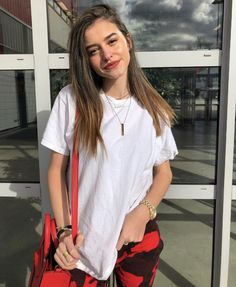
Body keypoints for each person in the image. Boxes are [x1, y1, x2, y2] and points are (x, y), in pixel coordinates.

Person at [41, 4, 178, 287]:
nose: (106, 55)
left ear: (127, 41)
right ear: (87, 60)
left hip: (138, 239)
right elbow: (56, 171)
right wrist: (64, 230)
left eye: (112, 40)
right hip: (82, 243)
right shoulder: (73, 101)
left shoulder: (154, 109)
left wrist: (142, 214)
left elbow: (164, 173)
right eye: (93, 50)